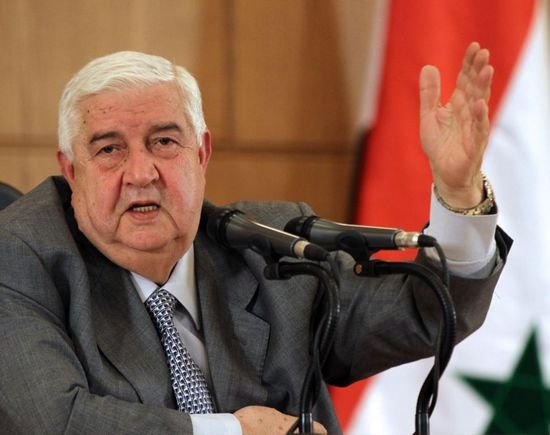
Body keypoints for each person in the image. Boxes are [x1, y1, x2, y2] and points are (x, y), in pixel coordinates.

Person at [0, 43, 511, 434]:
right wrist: (236, 432)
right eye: (109, 149)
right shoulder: (21, 256)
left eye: (164, 141)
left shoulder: (271, 245)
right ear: (72, 171)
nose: (141, 173)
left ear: (202, 154)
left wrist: (457, 192)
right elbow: (55, 421)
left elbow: (426, 313)